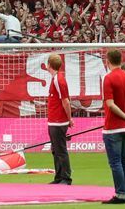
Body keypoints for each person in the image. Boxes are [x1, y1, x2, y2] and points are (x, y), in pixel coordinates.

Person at [101, 47, 125, 205]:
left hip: (114, 126)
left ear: (107, 61)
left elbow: (110, 103)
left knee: (116, 162)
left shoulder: (109, 78)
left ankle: (120, 194)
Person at [45, 53, 73, 185]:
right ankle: (59, 176)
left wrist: (69, 118)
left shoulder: (58, 80)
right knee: (56, 149)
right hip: (54, 120)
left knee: (61, 150)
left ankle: (66, 178)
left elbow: (66, 101)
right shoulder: (56, 78)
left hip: (58, 121)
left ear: (49, 65)